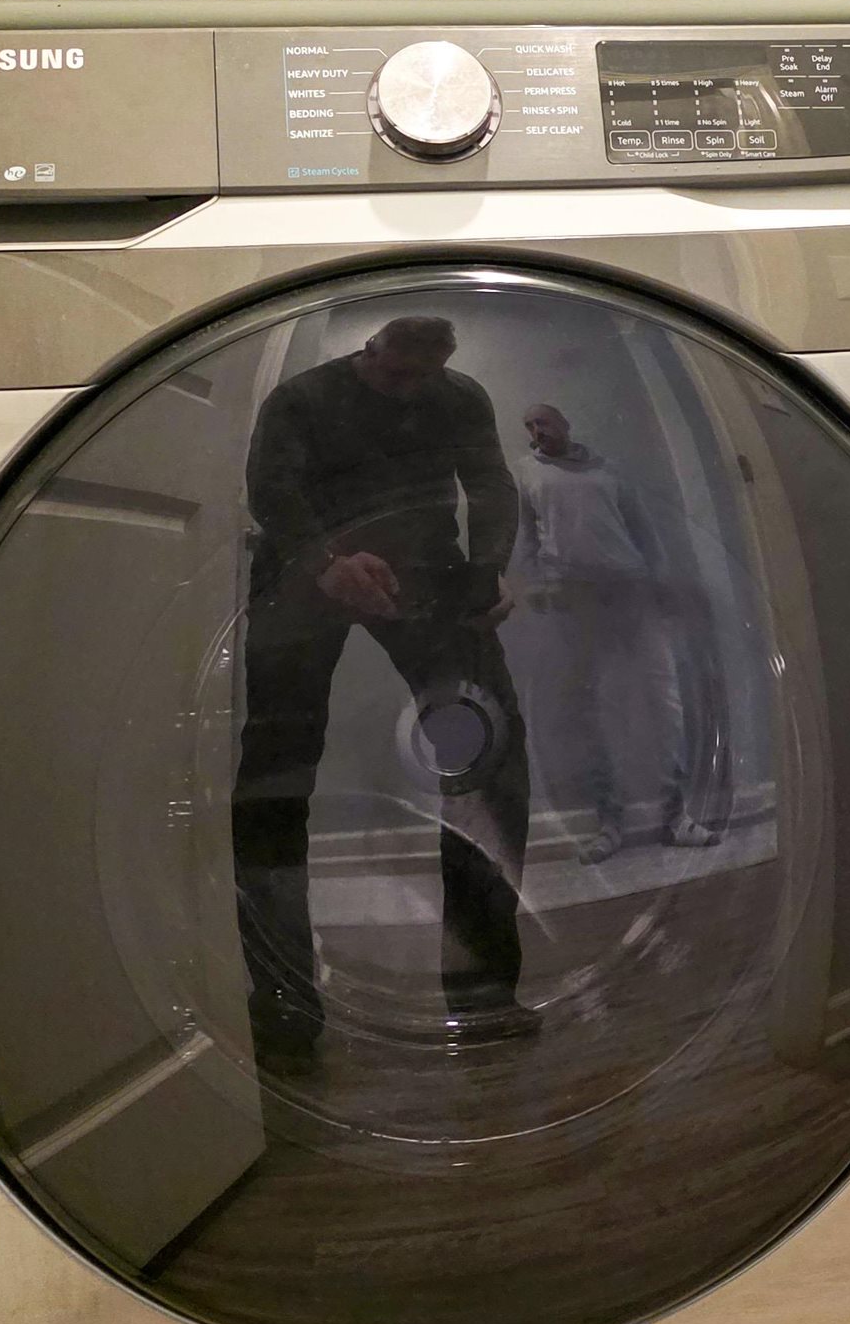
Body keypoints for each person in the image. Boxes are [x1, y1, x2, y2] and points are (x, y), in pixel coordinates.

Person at [232, 314, 536, 1070]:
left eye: (423, 379)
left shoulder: (461, 397)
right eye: (395, 374)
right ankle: (285, 1008)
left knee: (489, 758)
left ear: (443, 368)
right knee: (276, 777)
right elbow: (270, 489)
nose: (407, 390)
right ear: (367, 352)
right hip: (302, 577)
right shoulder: (302, 398)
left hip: (425, 572)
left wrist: (489, 569)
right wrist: (325, 560)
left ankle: (482, 995)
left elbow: (491, 484)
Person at [513, 403, 704, 864]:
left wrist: (661, 584)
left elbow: (644, 530)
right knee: (586, 708)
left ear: (565, 424)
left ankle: (676, 817)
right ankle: (609, 824)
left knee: (663, 698)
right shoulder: (526, 473)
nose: (537, 431)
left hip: (630, 591)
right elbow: (525, 538)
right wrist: (535, 584)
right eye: (530, 426)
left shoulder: (607, 469)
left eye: (544, 422)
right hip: (574, 599)